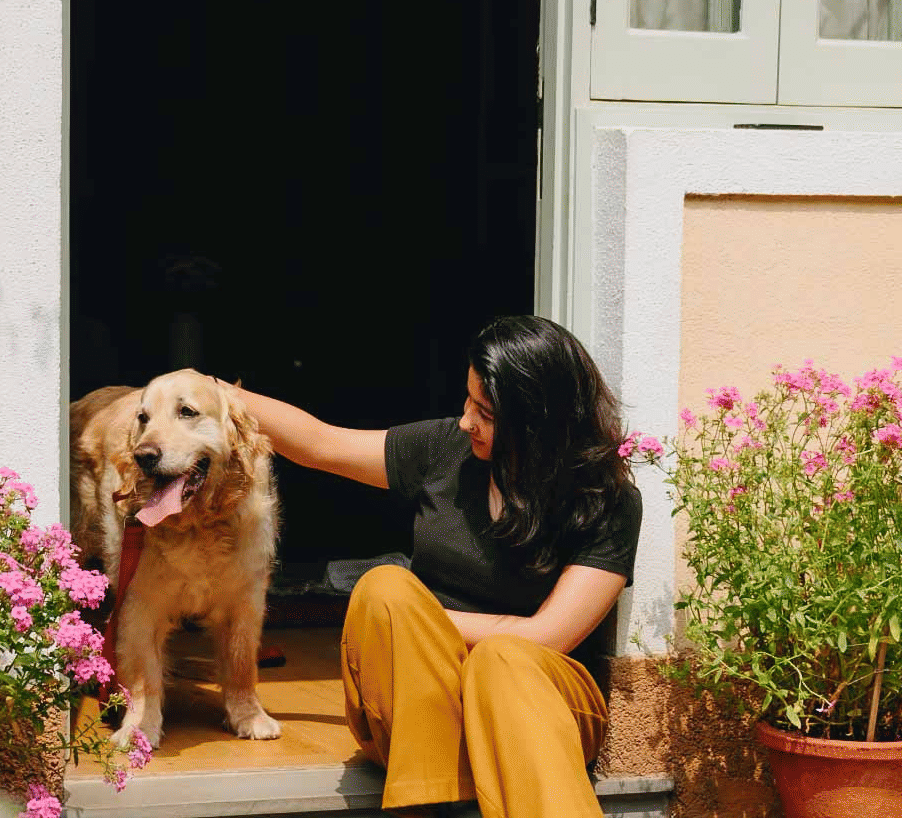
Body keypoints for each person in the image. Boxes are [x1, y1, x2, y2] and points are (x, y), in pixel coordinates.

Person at [235, 315, 642, 818]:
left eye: (486, 412)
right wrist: (209, 392)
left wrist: (424, 626)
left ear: (537, 423)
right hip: (420, 701)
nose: (466, 420)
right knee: (384, 588)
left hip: (537, 707)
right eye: (468, 400)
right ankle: (435, 797)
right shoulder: (444, 449)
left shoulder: (606, 500)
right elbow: (321, 444)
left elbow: (547, 635)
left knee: (505, 660)